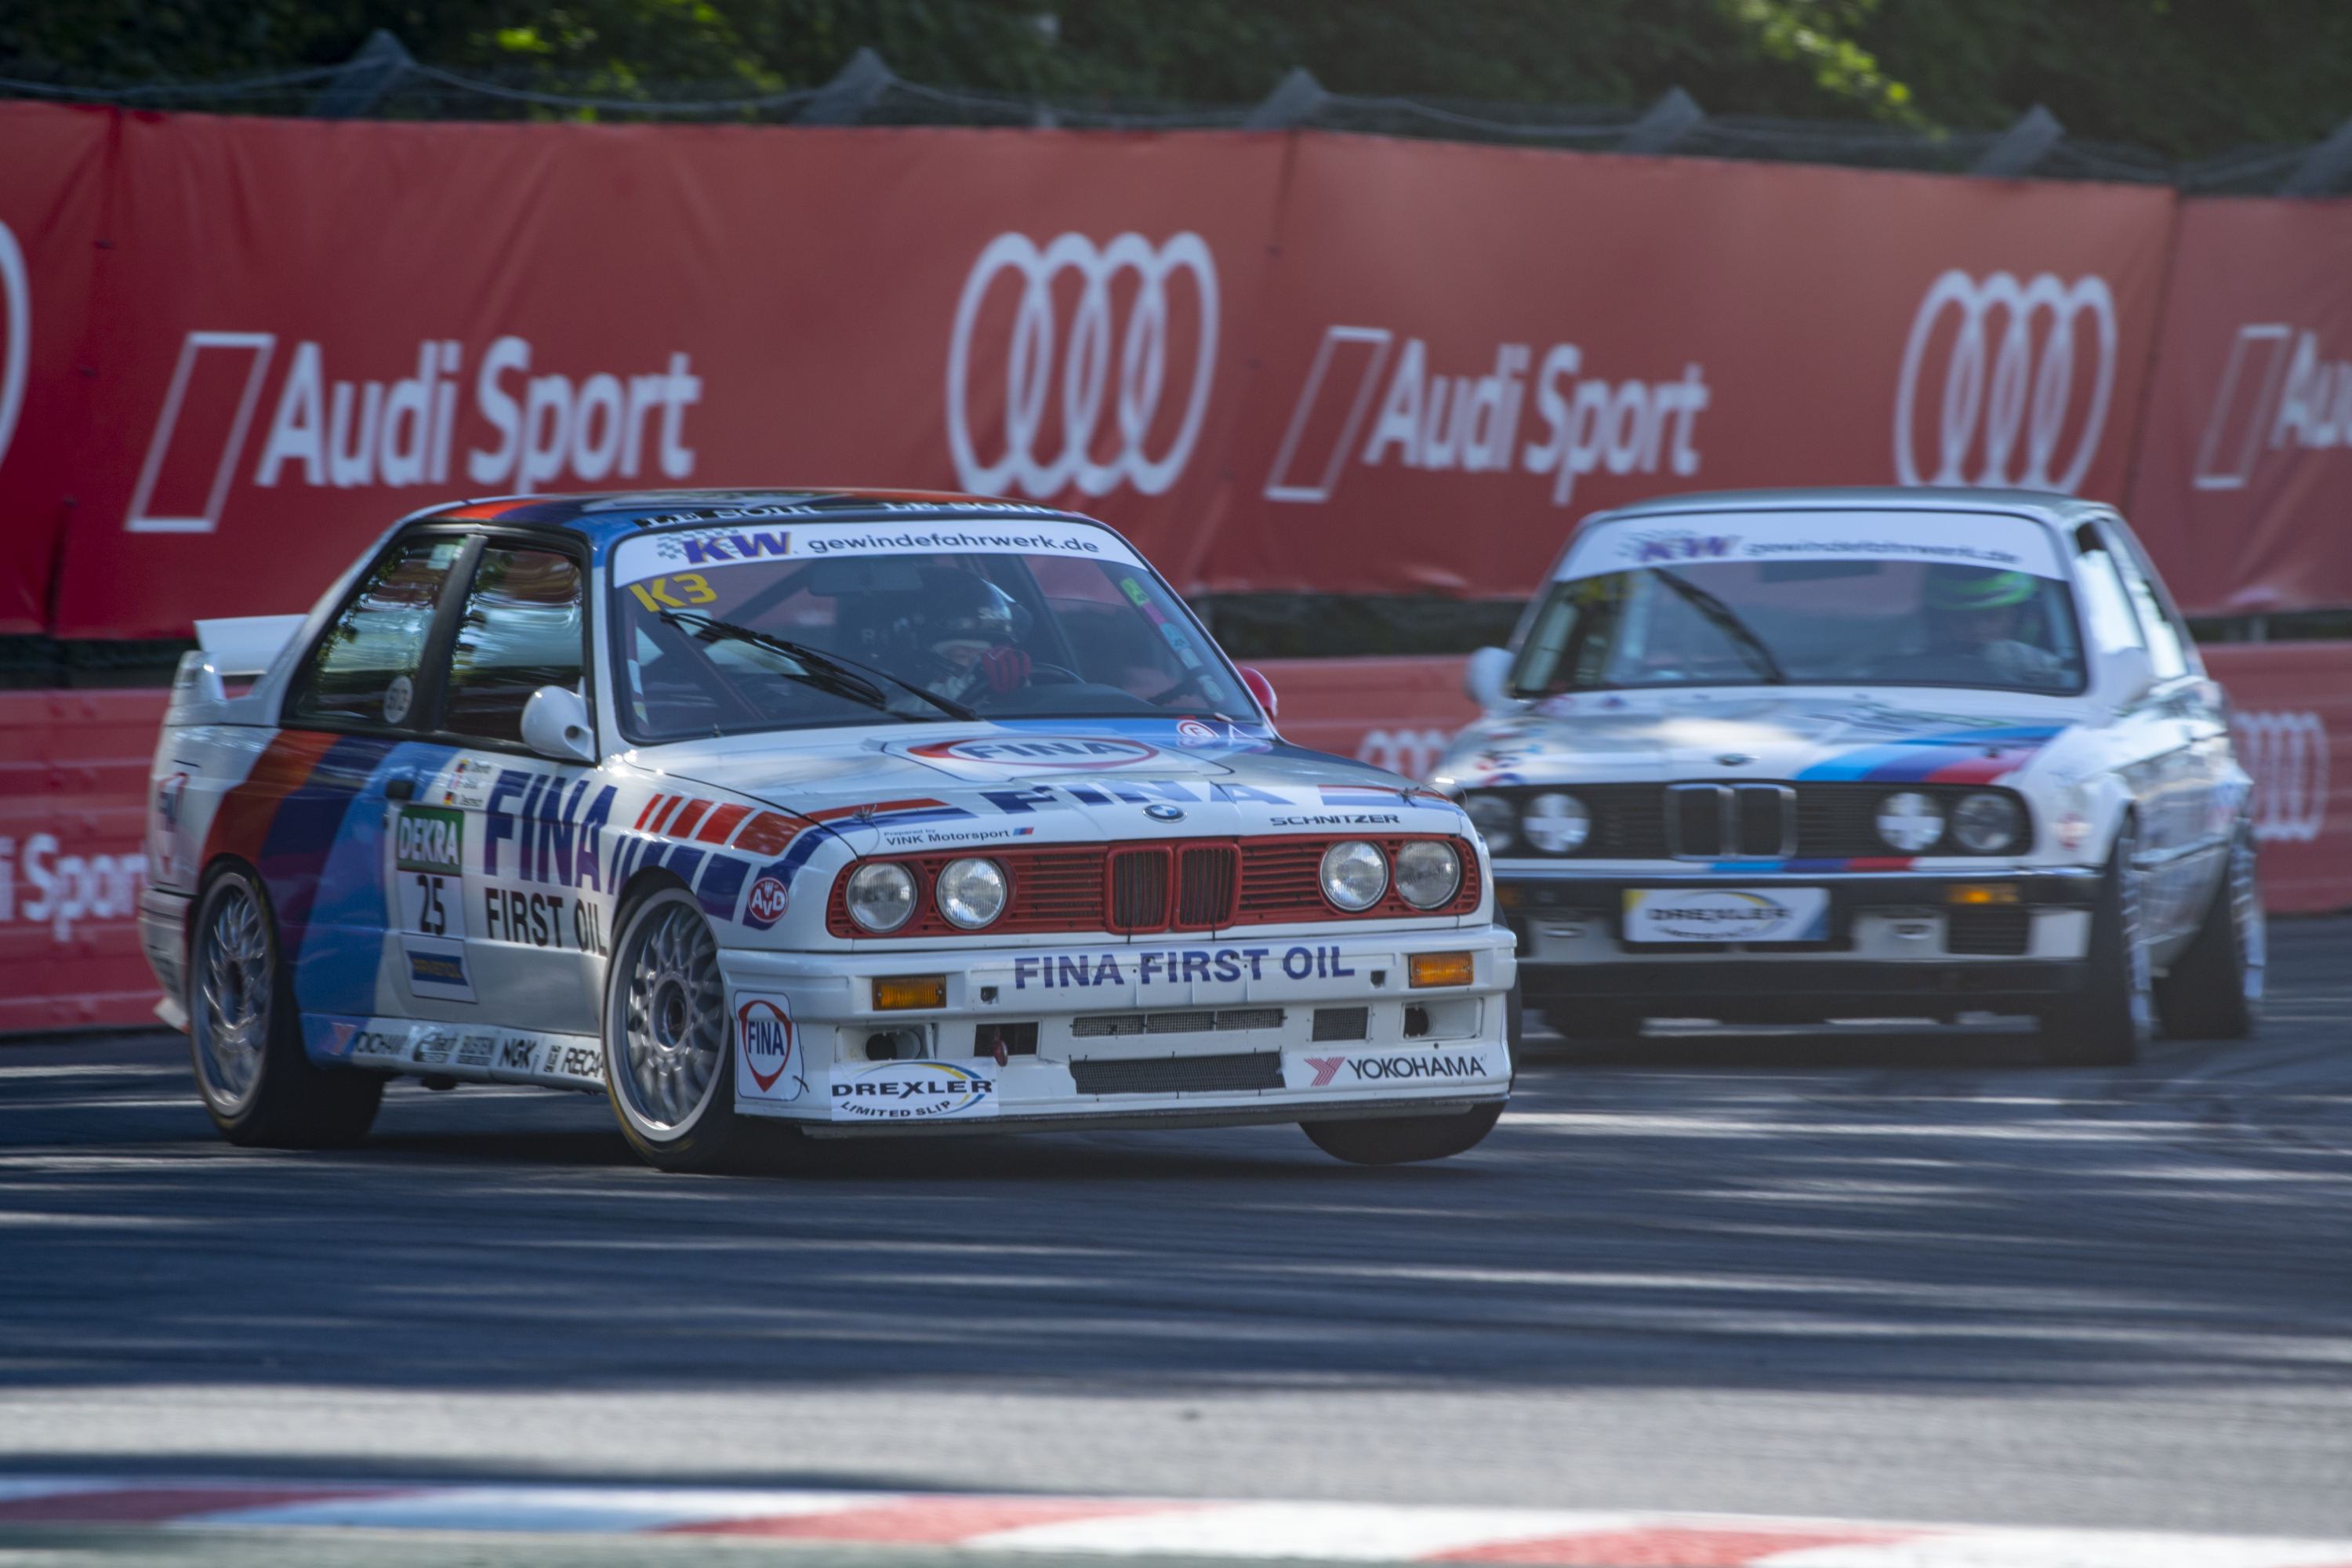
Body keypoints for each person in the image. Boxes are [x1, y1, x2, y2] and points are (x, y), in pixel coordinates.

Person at [881, 569, 1035, 706]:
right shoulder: (893, 695)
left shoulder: (999, 686)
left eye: (984, 655)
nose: (978, 662)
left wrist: (1019, 686)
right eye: (961, 655)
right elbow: (902, 710)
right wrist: (970, 681)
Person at [1919, 567, 2064, 686]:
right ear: (1939, 622)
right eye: (1960, 619)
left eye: (1991, 616)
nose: (1977, 630)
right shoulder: (1918, 671)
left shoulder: (2058, 675)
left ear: (2017, 618)